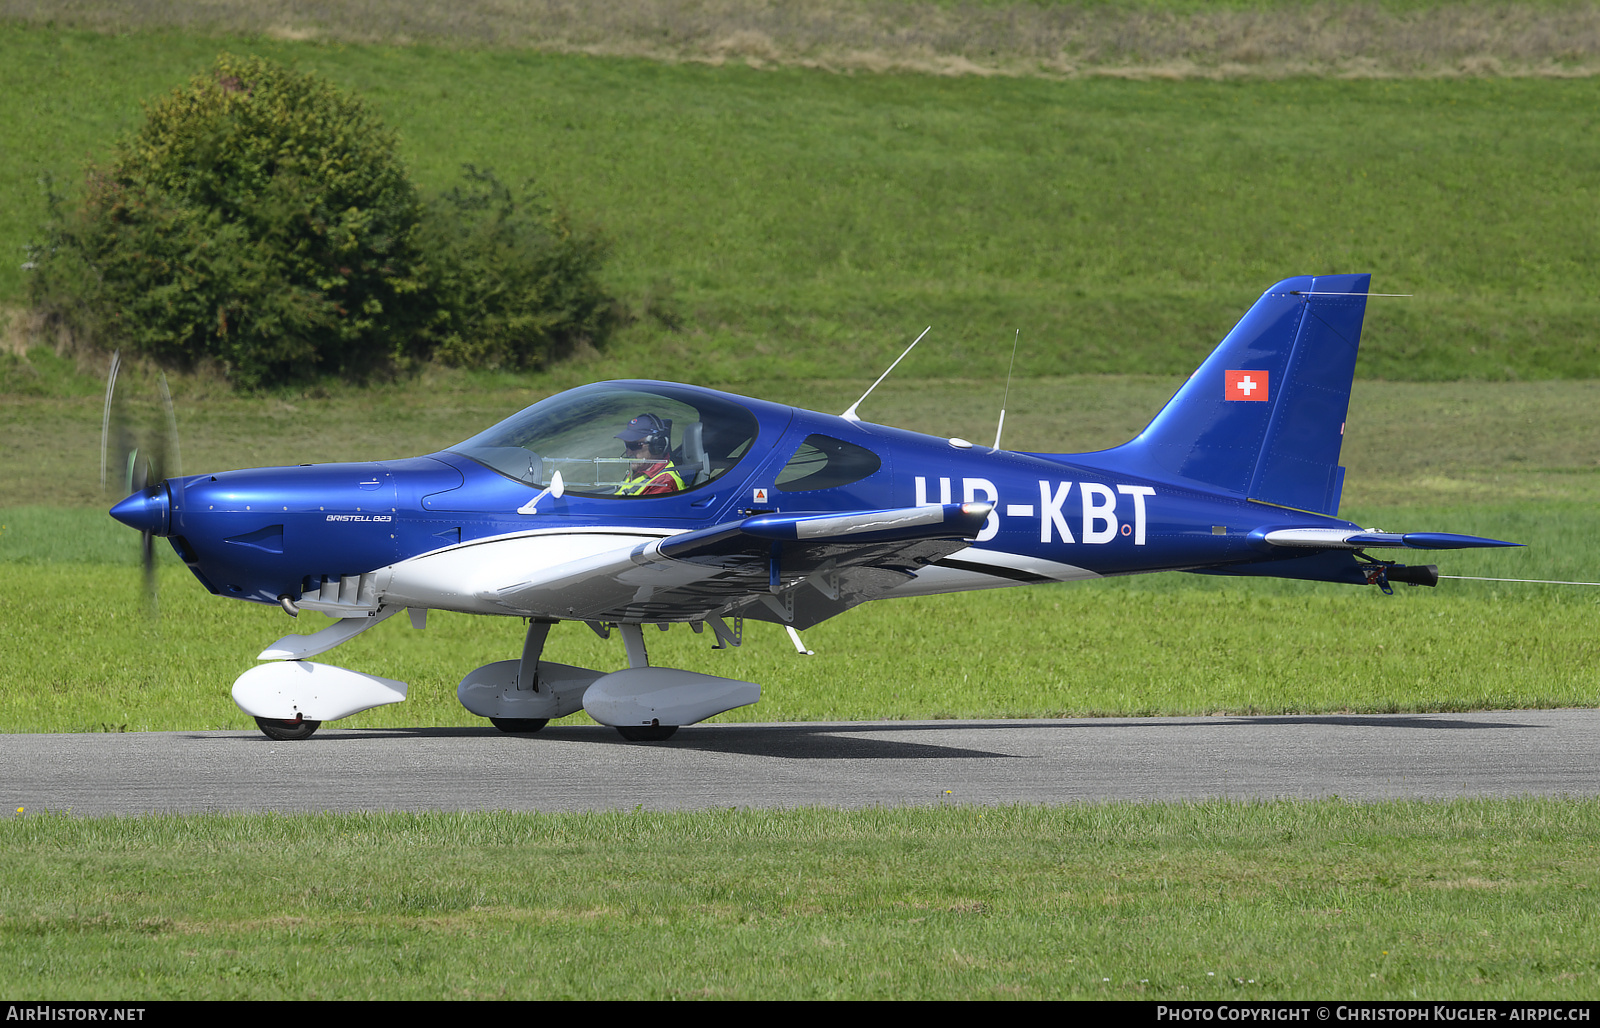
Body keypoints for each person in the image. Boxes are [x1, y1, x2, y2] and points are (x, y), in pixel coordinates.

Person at [613, 413, 685, 496]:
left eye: (634, 446)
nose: (628, 452)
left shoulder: (664, 483)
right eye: (627, 445)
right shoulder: (641, 469)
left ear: (657, 446)